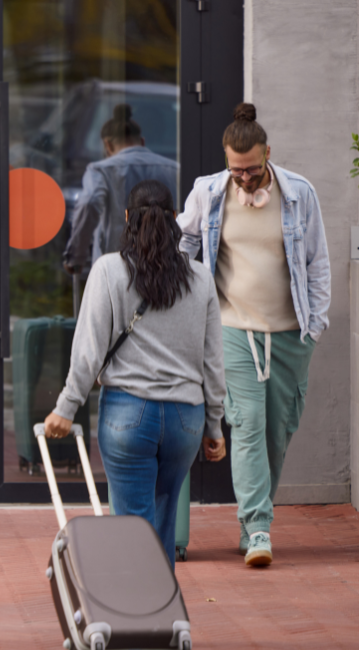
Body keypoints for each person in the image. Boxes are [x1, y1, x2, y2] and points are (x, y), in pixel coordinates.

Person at [44, 179, 227, 569]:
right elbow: (213, 361)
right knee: (163, 519)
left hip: (129, 415)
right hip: (186, 420)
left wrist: (66, 407)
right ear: (176, 219)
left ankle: (139, 617)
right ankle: (163, 616)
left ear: (127, 218)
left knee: (131, 525)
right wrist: (214, 426)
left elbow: (89, 349)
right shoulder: (200, 279)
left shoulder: (109, 270)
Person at [177, 103, 330, 567]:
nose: (243, 179)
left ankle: (250, 528)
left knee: (277, 432)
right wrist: (185, 290)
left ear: (269, 154)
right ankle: (260, 528)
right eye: (235, 170)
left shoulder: (299, 193)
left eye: (252, 169)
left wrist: (315, 327)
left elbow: (317, 263)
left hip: (289, 333)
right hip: (232, 328)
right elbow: (184, 241)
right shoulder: (209, 192)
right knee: (245, 425)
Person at [63, 104, 179, 275]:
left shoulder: (101, 170)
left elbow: (89, 203)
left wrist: (76, 257)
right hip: (165, 263)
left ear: (107, 145)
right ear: (142, 141)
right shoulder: (174, 169)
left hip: (115, 264)